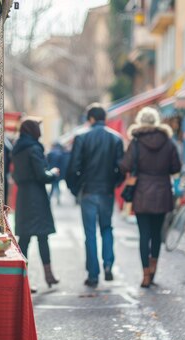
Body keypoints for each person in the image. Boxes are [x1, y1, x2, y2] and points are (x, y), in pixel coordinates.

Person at [120, 107, 181, 288]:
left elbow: (125, 165)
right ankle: (153, 271)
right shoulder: (168, 142)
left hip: (141, 193)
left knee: (143, 235)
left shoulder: (136, 143)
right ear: (156, 122)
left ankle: (145, 274)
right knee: (156, 235)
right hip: (162, 192)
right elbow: (176, 167)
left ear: (141, 122)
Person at [65, 103, 124, 288]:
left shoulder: (81, 137)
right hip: (106, 191)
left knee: (90, 233)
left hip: (88, 190)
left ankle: (93, 274)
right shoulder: (116, 139)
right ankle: (108, 264)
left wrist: (75, 189)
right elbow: (121, 168)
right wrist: (114, 183)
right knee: (107, 228)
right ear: (103, 118)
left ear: (90, 119)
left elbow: (73, 167)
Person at [11, 119, 60, 288]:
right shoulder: (34, 148)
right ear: (33, 130)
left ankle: (22, 280)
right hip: (36, 197)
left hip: (23, 197)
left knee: (24, 239)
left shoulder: (17, 148)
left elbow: (16, 175)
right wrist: (53, 173)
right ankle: (49, 275)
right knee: (42, 237)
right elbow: (42, 175)